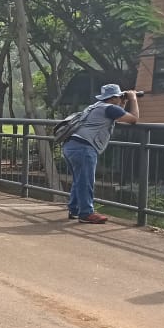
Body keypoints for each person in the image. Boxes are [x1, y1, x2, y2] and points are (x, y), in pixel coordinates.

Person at [63, 84, 140, 224]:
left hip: (71, 145)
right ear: (113, 98)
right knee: (86, 181)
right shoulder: (110, 108)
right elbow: (134, 118)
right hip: (84, 147)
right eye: (119, 97)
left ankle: (74, 210)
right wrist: (133, 99)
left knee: (80, 179)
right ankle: (86, 214)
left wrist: (122, 102)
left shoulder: (96, 106)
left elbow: (117, 117)